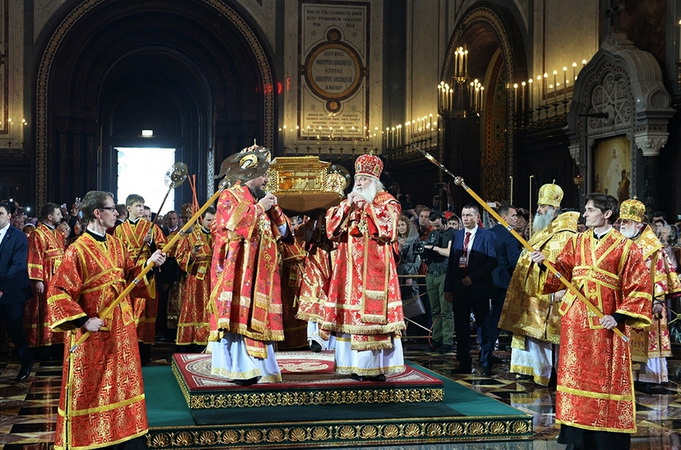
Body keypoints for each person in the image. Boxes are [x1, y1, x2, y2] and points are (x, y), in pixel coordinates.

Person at [46, 190, 167, 449]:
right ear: (97, 213)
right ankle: (92, 437)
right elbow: (58, 291)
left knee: (122, 384)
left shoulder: (115, 244)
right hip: (94, 333)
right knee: (94, 388)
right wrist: (82, 321)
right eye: (112, 209)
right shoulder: (76, 250)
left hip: (121, 331)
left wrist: (151, 264)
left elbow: (131, 278)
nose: (116, 213)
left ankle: (124, 433)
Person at [530, 193, 651, 449]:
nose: (584, 215)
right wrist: (544, 264)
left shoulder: (627, 247)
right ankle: (577, 437)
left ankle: (605, 437)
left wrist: (617, 316)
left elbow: (639, 287)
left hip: (606, 324)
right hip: (576, 324)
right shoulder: (577, 241)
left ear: (606, 214)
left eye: (589, 210)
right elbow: (560, 272)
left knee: (605, 379)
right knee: (574, 377)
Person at [209, 144, 291, 385]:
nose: (266, 178)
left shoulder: (263, 200)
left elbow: (284, 232)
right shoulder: (229, 195)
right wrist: (259, 208)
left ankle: (261, 367)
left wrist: (273, 209)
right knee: (238, 316)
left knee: (259, 318)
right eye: (263, 173)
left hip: (262, 274)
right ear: (250, 173)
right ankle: (239, 369)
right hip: (238, 271)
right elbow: (233, 227)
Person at [321, 154, 406, 381]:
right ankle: (350, 365)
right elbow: (331, 229)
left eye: (364, 179)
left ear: (375, 182)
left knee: (371, 321)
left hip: (375, 273)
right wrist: (348, 205)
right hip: (348, 274)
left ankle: (374, 367)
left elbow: (389, 230)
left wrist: (368, 206)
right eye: (357, 179)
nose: (359, 183)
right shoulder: (347, 203)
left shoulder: (387, 202)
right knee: (349, 318)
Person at [498, 183, 579, 386]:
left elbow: (565, 265)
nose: (539, 210)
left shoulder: (565, 233)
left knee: (543, 336)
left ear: (553, 209)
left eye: (543, 207)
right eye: (539, 205)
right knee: (529, 332)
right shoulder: (543, 230)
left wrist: (545, 261)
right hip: (532, 292)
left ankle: (544, 372)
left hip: (548, 292)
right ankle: (530, 369)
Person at [619, 198, 681, 387]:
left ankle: (651, 377)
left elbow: (661, 273)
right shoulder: (623, 242)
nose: (622, 225)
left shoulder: (652, 247)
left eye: (626, 222)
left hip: (648, 301)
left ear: (638, 223)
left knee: (648, 338)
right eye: (621, 221)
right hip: (627, 299)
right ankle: (630, 376)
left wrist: (658, 299)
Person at [444, 203, 497, 376]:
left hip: (479, 287)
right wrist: (448, 287)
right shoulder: (457, 235)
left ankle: (486, 359)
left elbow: (491, 261)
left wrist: (472, 278)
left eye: (469, 215)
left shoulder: (487, 236)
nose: (465, 218)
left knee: (483, 324)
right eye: (463, 215)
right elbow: (452, 262)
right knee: (461, 325)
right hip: (459, 288)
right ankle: (463, 360)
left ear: (477, 217)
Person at [114, 193, 167, 364]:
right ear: (128, 208)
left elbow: (164, 247)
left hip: (146, 272)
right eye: (138, 206)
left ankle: (144, 354)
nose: (141, 209)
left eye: (143, 206)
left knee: (145, 311)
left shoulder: (151, 227)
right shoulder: (120, 229)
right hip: (128, 272)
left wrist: (151, 243)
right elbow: (115, 251)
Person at [25, 202, 66, 359]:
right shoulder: (38, 234)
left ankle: (57, 344)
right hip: (46, 278)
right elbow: (34, 256)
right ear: (50, 216)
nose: (60, 217)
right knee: (43, 311)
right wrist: (37, 280)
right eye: (58, 214)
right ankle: (43, 347)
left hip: (58, 279)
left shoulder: (57, 234)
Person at [0, 201, 33, 381]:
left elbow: (18, 265)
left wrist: (2, 289)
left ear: (9, 216)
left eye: (1, 213)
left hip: (12, 292)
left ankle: (26, 362)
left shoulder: (19, 237)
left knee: (15, 330)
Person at [174, 206, 215, 352]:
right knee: (195, 309)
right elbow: (179, 257)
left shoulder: (220, 236)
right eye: (208, 220)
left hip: (215, 279)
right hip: (197, 280)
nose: (211, 223)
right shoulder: (191, 237)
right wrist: (191, 254)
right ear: (201, 219)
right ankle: (194, 344)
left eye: (213, 220)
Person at [488, 204, 521, 357]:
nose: (516, 218)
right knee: (498, 315)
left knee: (488, 315)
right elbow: (514, 262)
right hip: (502, 281)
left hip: (486, 279)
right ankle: (491, 346)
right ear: (503, 217)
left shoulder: (488, 233)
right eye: (513, 215)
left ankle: (486, 346)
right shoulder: (511, 235)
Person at [423, 210, 455, 354]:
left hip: (444, 273)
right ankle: (436, 338)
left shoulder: (452, 233)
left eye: (437, 226)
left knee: (446, 310)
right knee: (435, 310)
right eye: (433, 226)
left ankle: (447, 340)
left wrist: (434, 248)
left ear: (443, 221)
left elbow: (448, 252)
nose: (435, 229)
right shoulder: (432, 233)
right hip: (431, 273)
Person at [396, 214, 422, 321]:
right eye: (398, 225)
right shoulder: (394, 240)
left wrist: (410, 274)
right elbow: (394, 257)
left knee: (412, 302)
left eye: (403, 225)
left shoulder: (415, 239)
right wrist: (400, 247)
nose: (401, 227)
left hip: (410, 272)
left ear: (407, 226)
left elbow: (418, 258)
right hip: (398, 273)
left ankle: (412, 331)